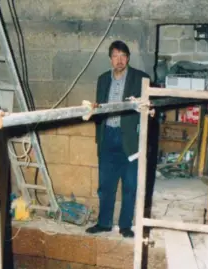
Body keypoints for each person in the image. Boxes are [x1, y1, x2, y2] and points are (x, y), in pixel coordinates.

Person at [86, 40, 150, 238]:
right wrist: (94, 111)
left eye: (123, 56)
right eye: (115, 56)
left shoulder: (141, 78)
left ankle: (125, 226)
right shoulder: (103, 79)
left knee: (130, 185)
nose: (119, 60)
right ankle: (104, 223)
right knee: (106, 185)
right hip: (108, 137)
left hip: (130, 140)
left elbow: (148, 107)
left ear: (128, 58)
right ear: (110, 59)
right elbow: (100, 111)